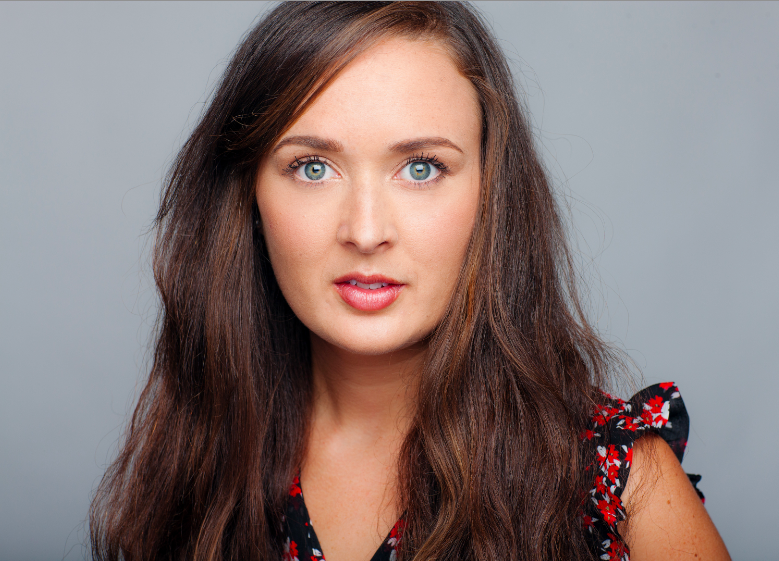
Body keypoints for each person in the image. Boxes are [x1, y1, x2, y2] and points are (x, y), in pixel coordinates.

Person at [89, 3, 731, 560]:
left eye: (421, 167)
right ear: (249, 197)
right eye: (312, 167)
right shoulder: (196, 460)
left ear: (491, 194)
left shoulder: (620, 485)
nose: (366, 232)